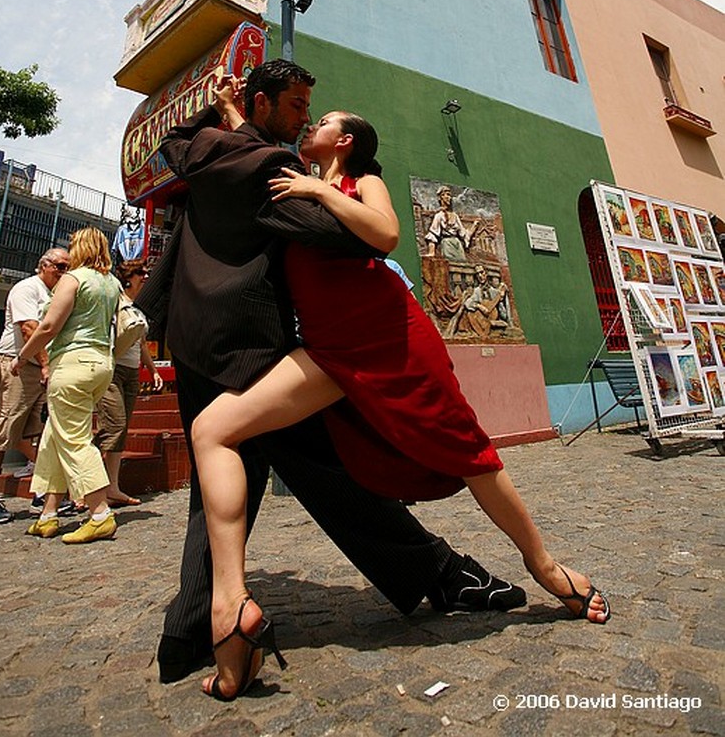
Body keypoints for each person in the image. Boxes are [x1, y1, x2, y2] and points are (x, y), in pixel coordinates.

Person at [191, 102, 611, 699]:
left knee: (471, 455)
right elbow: (252, 149)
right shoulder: (288, 175)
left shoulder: (361, 181)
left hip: (393, 339)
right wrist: (238, 109)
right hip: (329, 350)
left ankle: (543, 565)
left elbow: (385, 234)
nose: (312, 126)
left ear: (347, 141)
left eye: (325, 122)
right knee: (214, 430)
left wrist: (321, 190)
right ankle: (229, 607)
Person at [139, 59, 525, 686]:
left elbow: (202, 152)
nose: (301, 121)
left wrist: (233, 114)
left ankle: (191, 632)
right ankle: (438, 575)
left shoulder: (200, 148)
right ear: (263, 105)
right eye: (294, 107)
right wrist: (332, 192)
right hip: (251, 350)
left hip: (193, 342)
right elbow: (357, 239)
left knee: (224, 485)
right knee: (330, 473)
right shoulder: (270, 169)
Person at [12, 228, 121, 544]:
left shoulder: (74, 279)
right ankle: (48, 513)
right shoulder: (111, 283)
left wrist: (23, 356)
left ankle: (99, 513)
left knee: (73, 439)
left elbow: (48, 325)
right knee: (53, 436)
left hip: (72, 362)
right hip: (101, 364)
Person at [0, 248, 70, 525]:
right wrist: (46, 363)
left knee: (39, 433)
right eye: (60, 267)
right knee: (2, 431)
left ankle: (44, 491)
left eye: (67, 268)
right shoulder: (27, 288)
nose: (63, 272)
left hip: (43, 367)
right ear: (44, 266)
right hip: (19, 365)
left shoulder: (58, 293)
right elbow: (29, 329)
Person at [95, 258, 163, 507]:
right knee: (113, 426)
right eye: (140, 273)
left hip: (131, 371)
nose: (145, 276)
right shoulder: (115, 300)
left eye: (145, 272)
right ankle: (88, 487)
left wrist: (153, 369)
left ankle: (112, 486)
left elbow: (141, 342)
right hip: (112, 369)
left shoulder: (139, 306)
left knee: (120, 432)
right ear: (128, 277)